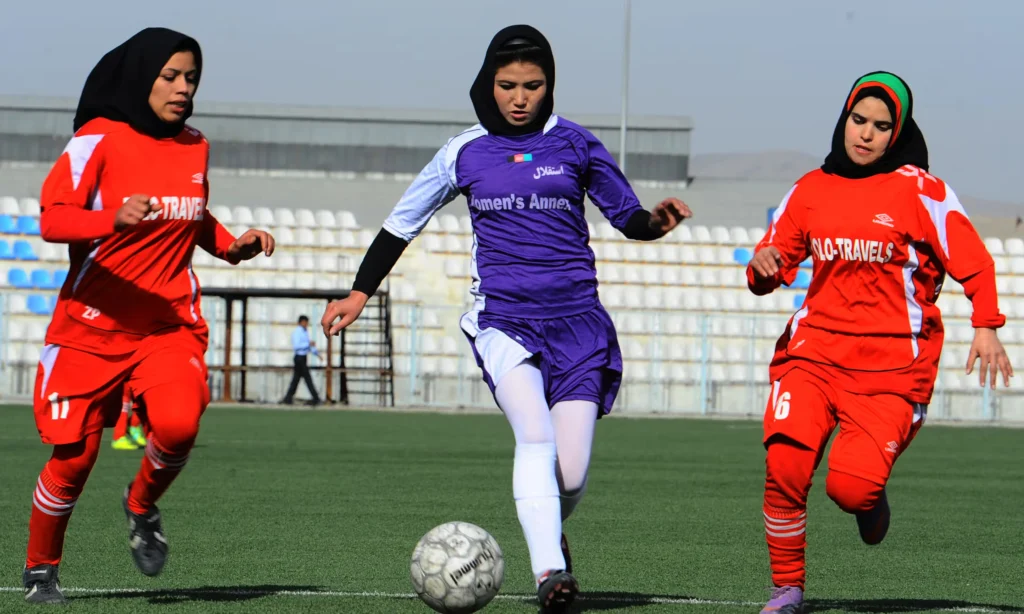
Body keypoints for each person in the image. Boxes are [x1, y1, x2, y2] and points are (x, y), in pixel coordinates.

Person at [321, 24, 690, 614]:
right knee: (535, 437)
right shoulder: (463, 151)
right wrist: (360, 292)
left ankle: (551, 531)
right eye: (507, 84)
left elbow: (628, 216)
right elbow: (401, 222)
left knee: (568, 476)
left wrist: (657, 221)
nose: (519, 97)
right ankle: (551, 572)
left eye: (533, 85)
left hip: (579, 326)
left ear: (550, 85)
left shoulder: (576, 144)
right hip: (504, 321)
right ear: (488, 83)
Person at [22, 27, 275, 605]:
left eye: (191, 78)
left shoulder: (195, 145)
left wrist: (231, 245)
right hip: (88, 329)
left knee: (180, 425)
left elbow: (194, 213)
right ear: (141, 78)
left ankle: (140, 505)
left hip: (166, 325)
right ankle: (41, 572)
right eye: (170, 77)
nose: (183, 88)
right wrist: (109, 217)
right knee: (74, 457)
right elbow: (53, 219)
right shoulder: (98, 138)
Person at [747, 71, 1013, 614]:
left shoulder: (922, 191)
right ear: (844, 119)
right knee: (785, 468)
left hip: (893, 368)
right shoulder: (810, 188)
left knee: (850, 490)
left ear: (898, 133)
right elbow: (770, 265)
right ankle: (787, 589)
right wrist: (763, 267)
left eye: (881, 125)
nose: (865, 134)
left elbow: (974, 263)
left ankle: (868, 498)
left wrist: (986, 326)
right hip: (814, 354)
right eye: (858, 120)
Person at [281, 315, 321, 405]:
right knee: (307, 378)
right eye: (305, 322)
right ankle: (316, 398)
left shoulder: (305, 332)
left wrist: (317, 354)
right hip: (299, 358)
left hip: (303, 358)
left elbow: (309, 346)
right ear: (301, 322)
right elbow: (297, 346)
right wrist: (308, 344)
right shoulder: (297, 332)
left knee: (296, 379)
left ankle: (288, 398)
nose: (306, 324)